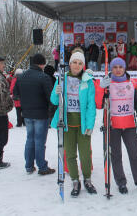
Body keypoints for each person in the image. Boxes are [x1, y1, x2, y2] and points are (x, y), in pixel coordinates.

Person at [99, 57, 137, 194]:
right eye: (115, 67)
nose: (117, 70)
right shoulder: (107, 84)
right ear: (111, 68)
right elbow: (99, 104)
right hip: (112, 125)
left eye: (120, 67)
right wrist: (101, 88)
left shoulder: (132, 83)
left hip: (129, 125)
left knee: (135, 154)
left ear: (124, 68)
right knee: (116, 155)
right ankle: (121, 182)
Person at [50, 49, 97, 197]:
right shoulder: (62, 79)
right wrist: (56, 92)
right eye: (74, 63)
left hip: (82, 124)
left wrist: (90, 125)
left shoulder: (87, 81)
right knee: (69, 154)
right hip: (67, 124)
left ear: (83, 65)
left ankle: (87, 180)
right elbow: (54, 101)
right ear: (70, 64)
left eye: (80, 63)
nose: (76, 66)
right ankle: (75, 181)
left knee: (85, 155)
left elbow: (91, 105)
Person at [13, 54, 55, 175]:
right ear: (42, 64)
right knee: (40, 140)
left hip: (26, 113)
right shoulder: (44, 77)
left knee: (30, 139)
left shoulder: (21, 77)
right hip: (41, 114)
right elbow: (50, 97)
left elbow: (15, 94)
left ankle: (29, 166)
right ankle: (42, 166)